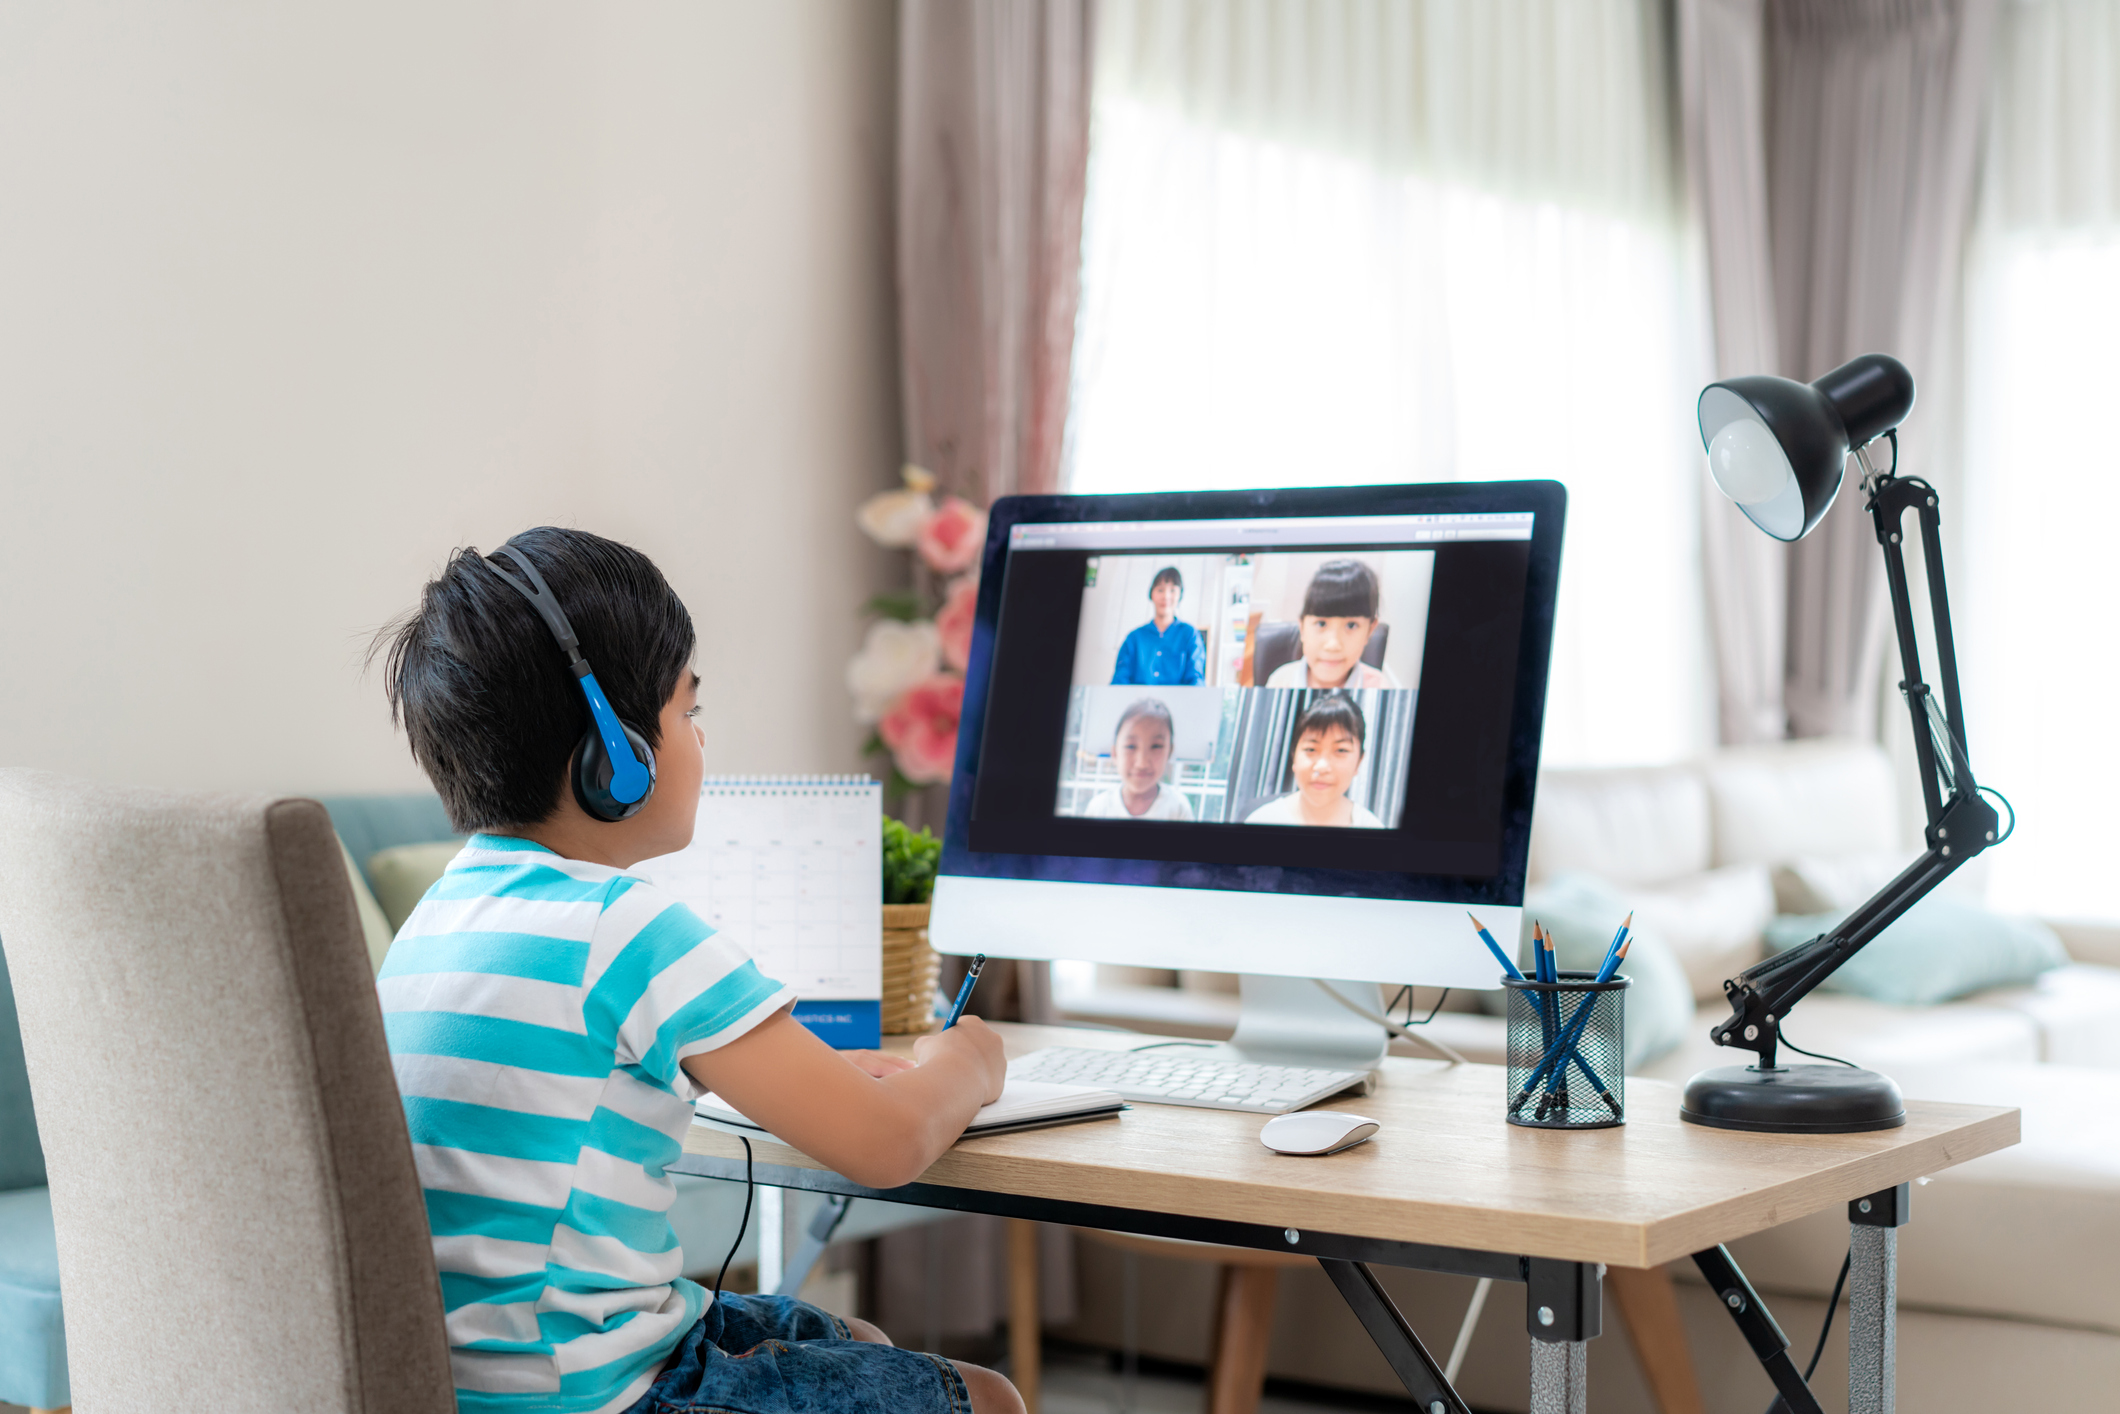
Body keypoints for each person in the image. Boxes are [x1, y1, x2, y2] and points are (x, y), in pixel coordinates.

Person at [374, 526, 1022, 1414]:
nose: (700, 741)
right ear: (616, 754)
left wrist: (822, 1078)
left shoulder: (432, 923)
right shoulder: (626, 925)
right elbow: (886, 1144)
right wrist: (967, 1064)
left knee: (858, 1346)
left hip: (469, 1387)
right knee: (982, 1397)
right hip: (600, 1393)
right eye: (688, 711)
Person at [1244, 693, 1387, 828]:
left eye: (1341, 750)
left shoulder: (1372, 827)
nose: (1322, 767)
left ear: (1359, 761)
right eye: (1311, 749)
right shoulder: (1261, 820)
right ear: (1294, 756)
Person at [1264, 558, 1401, 689]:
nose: (1333, 645)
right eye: (1321, 624)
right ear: (1302, 627)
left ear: (1370, 631)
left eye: (1351, 625)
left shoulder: (1378, 686)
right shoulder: (1280, 681)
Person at [1078, 697, 1195, 820]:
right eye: (1131, 746)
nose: (1142, 763)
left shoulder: (1178, 808)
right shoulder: (1099, 808)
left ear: (1169, 752)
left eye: (1156, 746)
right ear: (1115, 753)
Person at [1110, 565, 1205, 685]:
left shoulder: (1190, 634)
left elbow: (1196, 679)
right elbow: (1120, 680)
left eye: (1172, 590)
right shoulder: (1134, 637)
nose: (1166, 596)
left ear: (1180, 594)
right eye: (1160, 590)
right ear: (1151, 594)